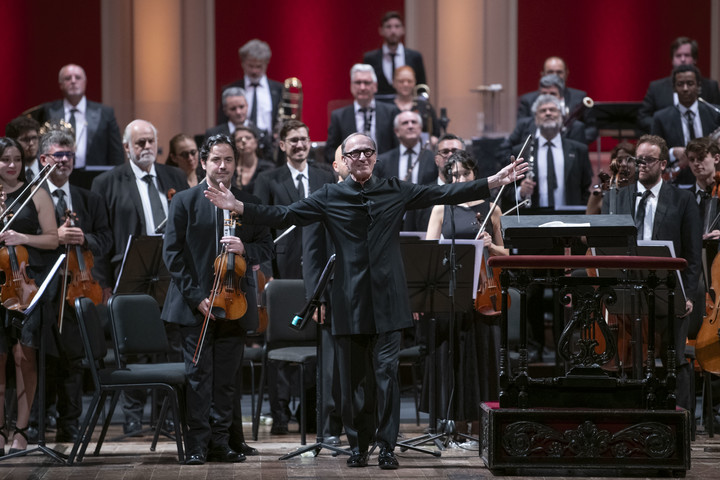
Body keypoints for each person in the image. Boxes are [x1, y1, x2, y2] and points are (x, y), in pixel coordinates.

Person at [204, 132, 527, 469]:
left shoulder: (394, 190)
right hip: (348, 301)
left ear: (374, 157)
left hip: (390, 300)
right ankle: (359, 445)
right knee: (354, 380)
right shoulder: (329, 195)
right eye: (353, 152)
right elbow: (284, 214)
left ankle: (386, 446)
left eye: (367, 152)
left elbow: (444, 192)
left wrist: (492, 181)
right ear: (343, 159)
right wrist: (238, 207)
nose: (360, 157)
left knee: (386, 376)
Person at [162, 134, 273, 465]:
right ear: (203, 162)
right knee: (199, 378)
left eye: (228, 160)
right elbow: (172, 255)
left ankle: (220, 443)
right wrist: (197, 298)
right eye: (216, 160)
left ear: (235, 164)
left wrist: (246, 249)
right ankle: (197, 443)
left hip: (235, 304)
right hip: (194, 306)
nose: (222, 166)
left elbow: (268, 247)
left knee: (226, 379)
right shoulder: (184, 201)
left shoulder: (246, 203)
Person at [90, 119, 189, 435]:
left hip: (169, 272)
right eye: (140, 143)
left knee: (171, 343)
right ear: (126, 147)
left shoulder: (173, 176)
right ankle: (132, 416)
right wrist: (103, 282)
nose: (146, 148)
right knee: (132, 345)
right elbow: (102, 237)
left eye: (150, 142)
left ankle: (167, 415)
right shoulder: (107, 182)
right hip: (127, 271)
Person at [601, 135, 701, 412]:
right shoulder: (619, 196)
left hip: (669, 289)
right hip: (631, 289)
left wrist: (689, 295)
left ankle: (680, 422)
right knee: (634, 358)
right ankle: (635, 414)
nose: (641, 165)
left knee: (675, 358)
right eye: (637, 159)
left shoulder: (683, 200)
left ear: (663, 164)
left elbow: (692, 255)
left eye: (647, 160)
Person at [252, 119, 336, 437]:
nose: (300, 145)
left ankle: (311, 414)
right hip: (282, 276)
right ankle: (281, 414)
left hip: (319, 274)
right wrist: (269, 277)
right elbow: (261, 228)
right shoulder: (268, 179)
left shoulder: (326, 176)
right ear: (282, 145)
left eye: (304, 139)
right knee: (281, 346)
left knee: (317, 344)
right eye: (293, 140)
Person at [424, 152, 507, 431]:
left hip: (484, 292)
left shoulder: (492, 208)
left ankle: (481, 421)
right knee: (453, 356)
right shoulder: (440, 207)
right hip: (452, 292)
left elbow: (507, 254)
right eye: (454, 175)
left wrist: (491, 246)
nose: (460, 179)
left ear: (475, 175)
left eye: (465, 174)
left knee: (482, 354)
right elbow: (428, 254)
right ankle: (454, 421)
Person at [37, 129, 112, 443]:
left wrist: (85, 238)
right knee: (43, 360)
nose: (64, 161)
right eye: (58, 155)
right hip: (40, 290)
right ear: (44, 159)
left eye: (69, 155)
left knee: (74, 359)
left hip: (78, 290)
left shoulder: (89, 198)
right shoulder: (33, 196)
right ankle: (36, 424)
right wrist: (57, 238)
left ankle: (70, 425)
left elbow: (107, 241)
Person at [0, 137, 59, 455]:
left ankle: (21, 429)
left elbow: (52, 240)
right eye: (5, 159)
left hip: (27, 286)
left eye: (17, 159)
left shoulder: (36, 193)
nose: (11, 165)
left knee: (24, 357)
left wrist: (21, 236)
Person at [36, 64, 124, 169]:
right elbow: (41, 148)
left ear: (85, 82)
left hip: (95, 178)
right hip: (57, 173)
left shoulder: (105, 113)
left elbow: (116, 153)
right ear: (61, 84)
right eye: (68, 78)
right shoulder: (48, 111)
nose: (73, 81)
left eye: (78, 77)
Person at [651, 64, 720, 185]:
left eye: (690, 83)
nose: (685, 88)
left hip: (711, 182)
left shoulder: (715, 114)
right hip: (676, 183)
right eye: (680, 84)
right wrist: (672, 153)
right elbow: (653, 154)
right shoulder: (661, 118)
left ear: (698, 86)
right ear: (674, 88)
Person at [638, 36, 720, 133]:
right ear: (672, 59)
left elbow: (716, 115)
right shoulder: (656, 88)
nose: (682, 59)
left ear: (694, 59)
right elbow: (643, 117)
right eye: (678, 55)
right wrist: (662, 126)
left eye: (687, 55)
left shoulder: (710, 86)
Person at [325, 64, 399, 163]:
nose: (362, 87)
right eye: (358, 82)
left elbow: (398, 148)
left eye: (367, 83)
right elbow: (330, 152)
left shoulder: (391, 112)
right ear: (351, 86)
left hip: (384, 171)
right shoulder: (338, 116)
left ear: (375, 86)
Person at [516, 56, 596, 143]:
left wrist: (571, 142)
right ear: (542, 74)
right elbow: (522, 129)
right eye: (550, 72)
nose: (555, 75)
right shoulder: (527, 100)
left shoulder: (580, 97)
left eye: (559, 72)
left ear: (566, 73)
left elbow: (592, 130)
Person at [218, 39, 284, 135]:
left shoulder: (279, 90)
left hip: (270, 145)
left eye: (259, 66)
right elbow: (222, 123)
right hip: (239, 143)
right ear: (242, 63)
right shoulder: (229, 90)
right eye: (250, 66)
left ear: (266, 63)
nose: (254, 71)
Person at [363, 11, 427, 96]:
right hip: (380, 106)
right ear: (381, 30)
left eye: (397, 26)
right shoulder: (370, 58)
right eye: (388, 27)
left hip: (408, 106)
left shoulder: (415, 57)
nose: (393, 31)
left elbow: (421, 87)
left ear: (403, 30)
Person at [375, 111, 437, 185]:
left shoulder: (434, 159)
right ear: (396, 131)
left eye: (414, 122)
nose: (410, 126)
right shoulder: (382, 161)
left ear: (420, 128)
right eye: (405, 123)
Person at [391, 66, 439, 144]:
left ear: (415, 82)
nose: (405, 84)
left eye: (409, 81)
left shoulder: (425, 106)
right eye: (401, 81)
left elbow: (436, 133)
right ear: (394, 83)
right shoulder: (386, 108)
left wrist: (433, 140)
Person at [586, 141, 636, 215]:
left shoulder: (642, 192)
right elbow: (589, 223)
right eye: (619, 160)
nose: (623, 164)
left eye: (629, 160)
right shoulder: (598, 194)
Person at [231, 126, 274, 194]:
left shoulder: (268, 168)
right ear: (234, 145)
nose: (244, 142)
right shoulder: (230, 169)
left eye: (248, 138)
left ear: (256, 142)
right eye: (239, 140)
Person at [5, 117, 42, 182]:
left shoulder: (49, 169)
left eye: (34, 138)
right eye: (25, 139)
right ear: (12, 142)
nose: (31, 143)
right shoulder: (4, 173)